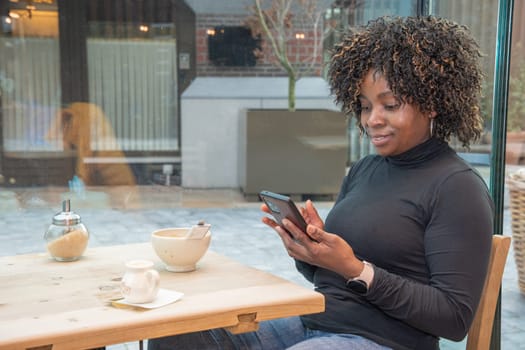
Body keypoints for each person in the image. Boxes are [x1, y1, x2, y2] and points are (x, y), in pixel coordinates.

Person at [148, 15, 494, 350]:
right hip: (315, 323)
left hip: (386, 341)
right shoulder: (364, 170)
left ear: (432, 103)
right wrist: (311, 253)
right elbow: (332, 282)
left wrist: (355, 268)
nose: (373, 119)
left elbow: (453, 319)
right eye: (363, 106)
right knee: (179, 331)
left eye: (390, 105)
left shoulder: (456, 186)